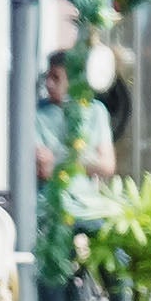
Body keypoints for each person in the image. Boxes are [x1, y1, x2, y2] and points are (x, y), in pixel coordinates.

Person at [35, 51, 116, 216]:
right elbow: (44, 169)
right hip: (49, 208)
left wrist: (61, 161)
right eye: (47, 77)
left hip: (87, 207)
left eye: (56, 78)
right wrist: (88, 160)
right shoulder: (37, 113)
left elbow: (107, 165)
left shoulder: (96, 111)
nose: (49, 84)